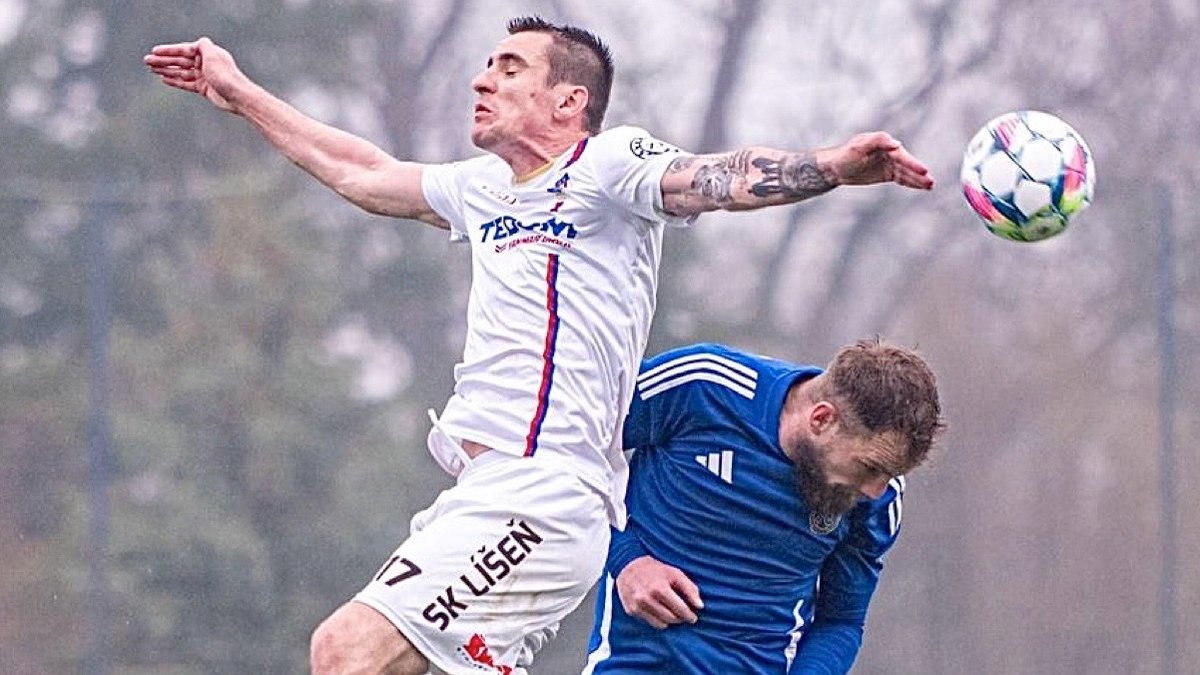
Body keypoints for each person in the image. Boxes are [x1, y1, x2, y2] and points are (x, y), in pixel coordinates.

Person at [144, 16, 935, 675]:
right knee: (379, 660)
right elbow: (362, 172)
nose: (482, 80)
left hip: (548, 494)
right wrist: (241, 94)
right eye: (488, 65)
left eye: (509, 67)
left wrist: (830, 167)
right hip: (486, 490)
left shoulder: (609, 166)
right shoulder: (483, 190)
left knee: (347, 651)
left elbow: (713, 178)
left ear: (568, 100)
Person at [582, 339, 944, 674]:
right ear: (822, 419)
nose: (875, 490)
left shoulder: (879, 499)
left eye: (892, 474)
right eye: (870, 467)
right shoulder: (704, 387)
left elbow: (841, 622)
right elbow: (574, 455)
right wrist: (627, 560)